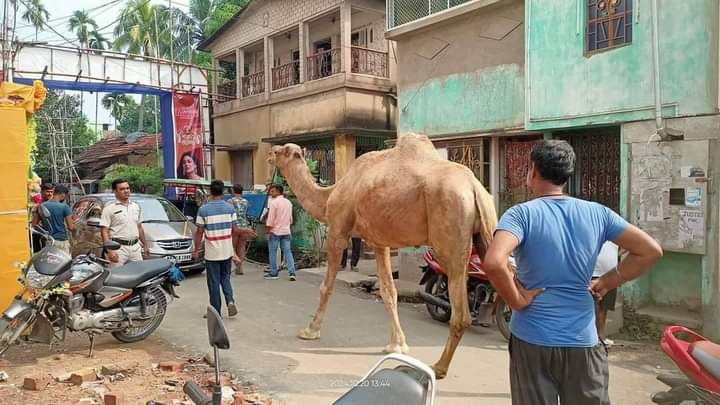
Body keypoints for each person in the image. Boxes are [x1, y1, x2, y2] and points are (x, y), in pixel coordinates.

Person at [482, 140, 662, 405]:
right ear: (567, 174)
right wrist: (609, 281)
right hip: (583, 341)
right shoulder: (599, 214)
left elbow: (494, 262)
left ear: (532, 171)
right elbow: (650, 250)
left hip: (532, 341)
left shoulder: (520, 215)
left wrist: (517, 301)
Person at [193, 180, 255, 317]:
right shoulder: (229, 209)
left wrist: (196, 249)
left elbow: (199, 232)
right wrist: (246, 231)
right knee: (225, 278)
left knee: (213, 282)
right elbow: (235, 230)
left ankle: (215, 311)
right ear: (223, 192)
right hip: (226, 251)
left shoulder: (203, 210)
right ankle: (230, 301)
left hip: (212, 253)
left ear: (210, 192)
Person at [100, 179, 150, 268]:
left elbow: (139, 227)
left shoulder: (136, 206)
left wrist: (145, 245)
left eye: (127, 188)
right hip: (118, 248)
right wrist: (110, 251)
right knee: (117, 277)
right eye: (122, 189)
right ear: (115, 191)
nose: (126, 191)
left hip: (135, 248)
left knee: (139, 274)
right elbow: (104, 230)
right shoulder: (109, 209)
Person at [264, 184, 296, 281]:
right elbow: (291, 219)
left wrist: (267, 231)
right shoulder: (288, 202)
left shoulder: (273, 203)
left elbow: (270, 219)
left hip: (275, 231)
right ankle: (292, 273)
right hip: (286, 231)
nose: (270, 193)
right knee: (288, 252)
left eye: (273, 191)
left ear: (278, 192)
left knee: (272, 252)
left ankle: (274, 273)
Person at [32, 185, 74, 255]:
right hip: (61, 241)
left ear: (54, 192)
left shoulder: (41, 206)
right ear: (63, 194)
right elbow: (71, 227)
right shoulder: (65, 207)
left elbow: (34, 225)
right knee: (64, 263)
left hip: (48, 241)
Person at [593, 241, 620, 347]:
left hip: (611, 275)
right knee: (597, 307)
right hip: (594, 274)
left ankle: (601, 337)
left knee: (604, 308)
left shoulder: (615, 232)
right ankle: (595, 338)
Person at [229, 184, 251, 275]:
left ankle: (234, 264)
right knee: (242, 247)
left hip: (234, 226)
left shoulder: (230, 201)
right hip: (244, 226)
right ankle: (240, 267)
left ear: (233, 191)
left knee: (232, 247)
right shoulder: (246, 202)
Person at [31, 182, 54, 253]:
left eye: (51, 192)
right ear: (42, 191)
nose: (50, 194)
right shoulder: (37, 203)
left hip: (53, 234)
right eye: (47, 192)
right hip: (40, 233)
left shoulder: (55, 203)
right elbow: (34, 224)